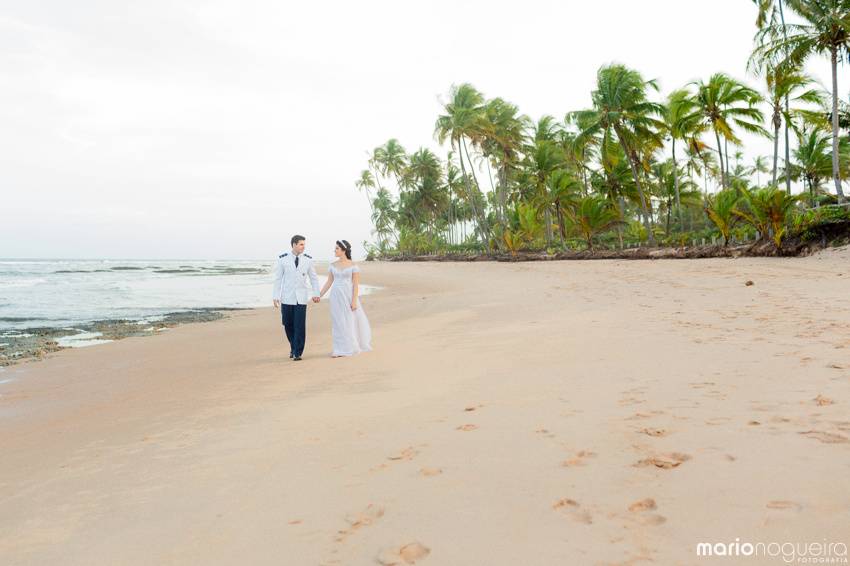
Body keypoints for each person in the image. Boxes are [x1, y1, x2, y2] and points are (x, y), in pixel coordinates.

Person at [318, 239, 372, 357]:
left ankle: (350, 347)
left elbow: (356, 285)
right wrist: (319, 295)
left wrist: (354, 301)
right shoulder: (332, 265)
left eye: (337, 248)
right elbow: (329, 282)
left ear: (343, 250)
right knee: (338, 322)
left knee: (348, 320)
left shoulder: (353, 266)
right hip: (336, 296)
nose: (335, 250)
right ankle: (338, 349)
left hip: (348, 296)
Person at [272, 234, 320, 361]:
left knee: (299, 325)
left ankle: (297, 352)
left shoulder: (308, 260)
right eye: (301, 244)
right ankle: (293, 346)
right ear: (294, 244)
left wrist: (316, 293)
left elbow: (313, 278)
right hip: (287, 297)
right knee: (287, 324)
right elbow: (278, 279)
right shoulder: (283, 259)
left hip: (301, 298)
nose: (303, 247)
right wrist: (275, 296)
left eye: (304, 244)